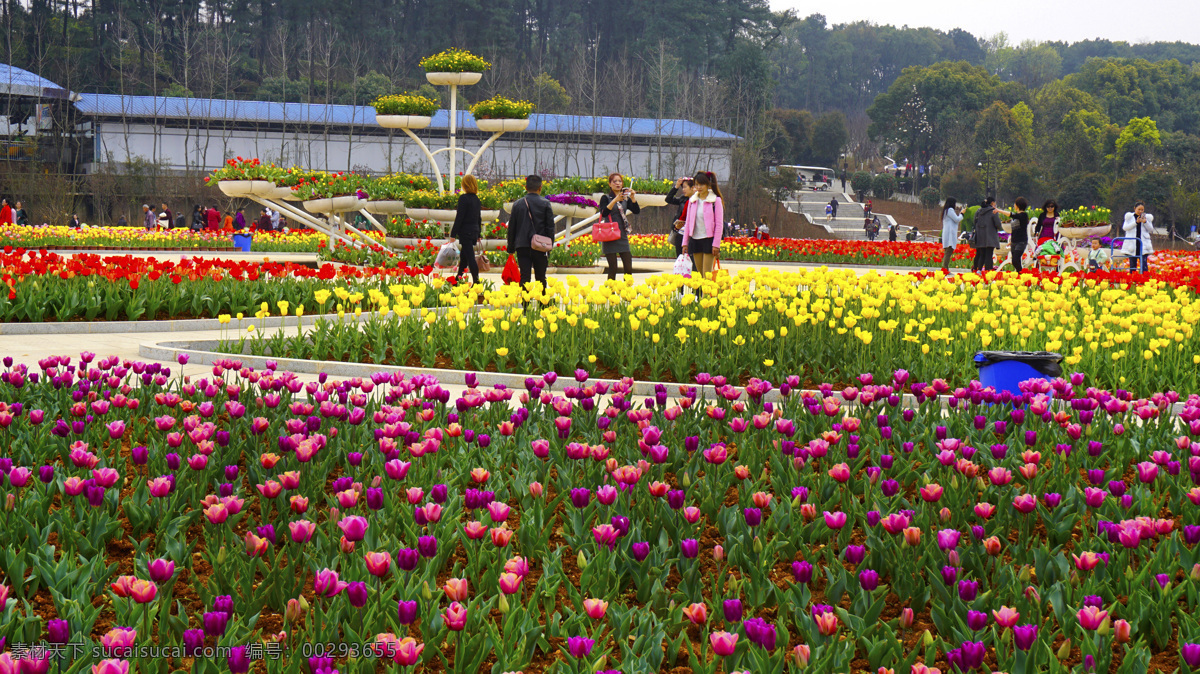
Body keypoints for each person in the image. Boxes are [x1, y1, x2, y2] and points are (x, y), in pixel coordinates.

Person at [505, 174, 555, 289]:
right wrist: (550, 244)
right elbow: (550, 228)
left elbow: (511, 228)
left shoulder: (518, 204)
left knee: (525, 277)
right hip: (540, 246)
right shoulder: (545, 204)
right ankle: (543, 304)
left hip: (522, 246)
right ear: (540, 187)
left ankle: (525, 305)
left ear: (526, 188)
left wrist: (511, 248)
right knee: (541, 277)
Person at [681, 171, 725, 281]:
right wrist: (685, 243)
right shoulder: (693, 201)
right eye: (696, 184)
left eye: (701, 184)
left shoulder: (715, 201)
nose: (698, 187)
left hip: (708, 240)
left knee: (707, 275)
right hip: (695, 239)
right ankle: (702, 297)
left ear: (708, 185)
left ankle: (706, 297)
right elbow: (688, 223)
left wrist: (716, 245)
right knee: (700, 275)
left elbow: (719, 225)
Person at [598, 173, 640, 281]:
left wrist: (633, 198)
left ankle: (626, 293)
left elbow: (636, 211)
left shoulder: (625, 198)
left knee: (628, 268)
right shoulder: (606, 198)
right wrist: (615, 200)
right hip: (610, 235)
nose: (618, 183)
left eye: (619, 181)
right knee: (613, 268)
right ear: (610, 184)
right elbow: (604, 213)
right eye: (614, 181)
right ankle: (611, 295)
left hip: (622, 235)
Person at [450, 174, 483, 284]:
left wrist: (453, 234)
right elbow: (479, 218)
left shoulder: (463, 199)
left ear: (465, 185)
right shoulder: (477, 199)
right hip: (474, 231)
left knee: (470, 258)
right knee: (464, 258)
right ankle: (457, 280)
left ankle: (477, 282)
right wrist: (478, 234)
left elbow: (459, 217)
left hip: (465, 232)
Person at [665, 176, 695, 261]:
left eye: (685, 187)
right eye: (683, 187)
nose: (683, 190)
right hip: (680, 232)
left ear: (693, 188)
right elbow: (668, 199)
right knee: (680, 258)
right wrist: (676, 186)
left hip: (692, 233)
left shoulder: (698, 201)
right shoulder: (683, 199)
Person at [1121, 201, 1156, 273]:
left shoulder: (1147, 218)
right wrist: (1136, 223)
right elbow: (1125, 228)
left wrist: (1145, 222)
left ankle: (1144, 278)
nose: (1140, 211)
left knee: (1143, 263)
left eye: (1142, 210)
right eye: (1139, 209)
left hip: (1143, 244)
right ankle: (1133, 277)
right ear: (1134, 208)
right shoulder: (1129, 217)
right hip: (1132, 244)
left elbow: (1151, 229)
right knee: (1132, 263)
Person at [972, 197, 1003, 273]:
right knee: (989, 255)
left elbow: (974, 222)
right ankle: (988, 272)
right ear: (992, 203)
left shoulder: (978, 211)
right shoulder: (993, 211)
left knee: (981, 254)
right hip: (990, 237)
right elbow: (998, 224)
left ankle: (978, 270)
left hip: (980, 236)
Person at [940, 197, 963, 273]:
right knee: (948, 252)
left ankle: (945, 268)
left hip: (947, 233)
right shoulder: (950, 210)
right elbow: (957, 219)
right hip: (950, 234)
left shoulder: (946, 211)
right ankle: (945, 269)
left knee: (947, 251)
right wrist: (962, 213)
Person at [1009, 197, 1031, 273]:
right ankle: (1020, 275)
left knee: (1015, 259)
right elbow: (1014, 229)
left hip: (1021, 241)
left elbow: (1012, 215)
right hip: (1014, 241)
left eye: (1015, 204)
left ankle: (1021, 274)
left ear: (1017, 205)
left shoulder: (1024, 215)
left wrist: (998, 210)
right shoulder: (1016, 216)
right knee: (1015, 261)